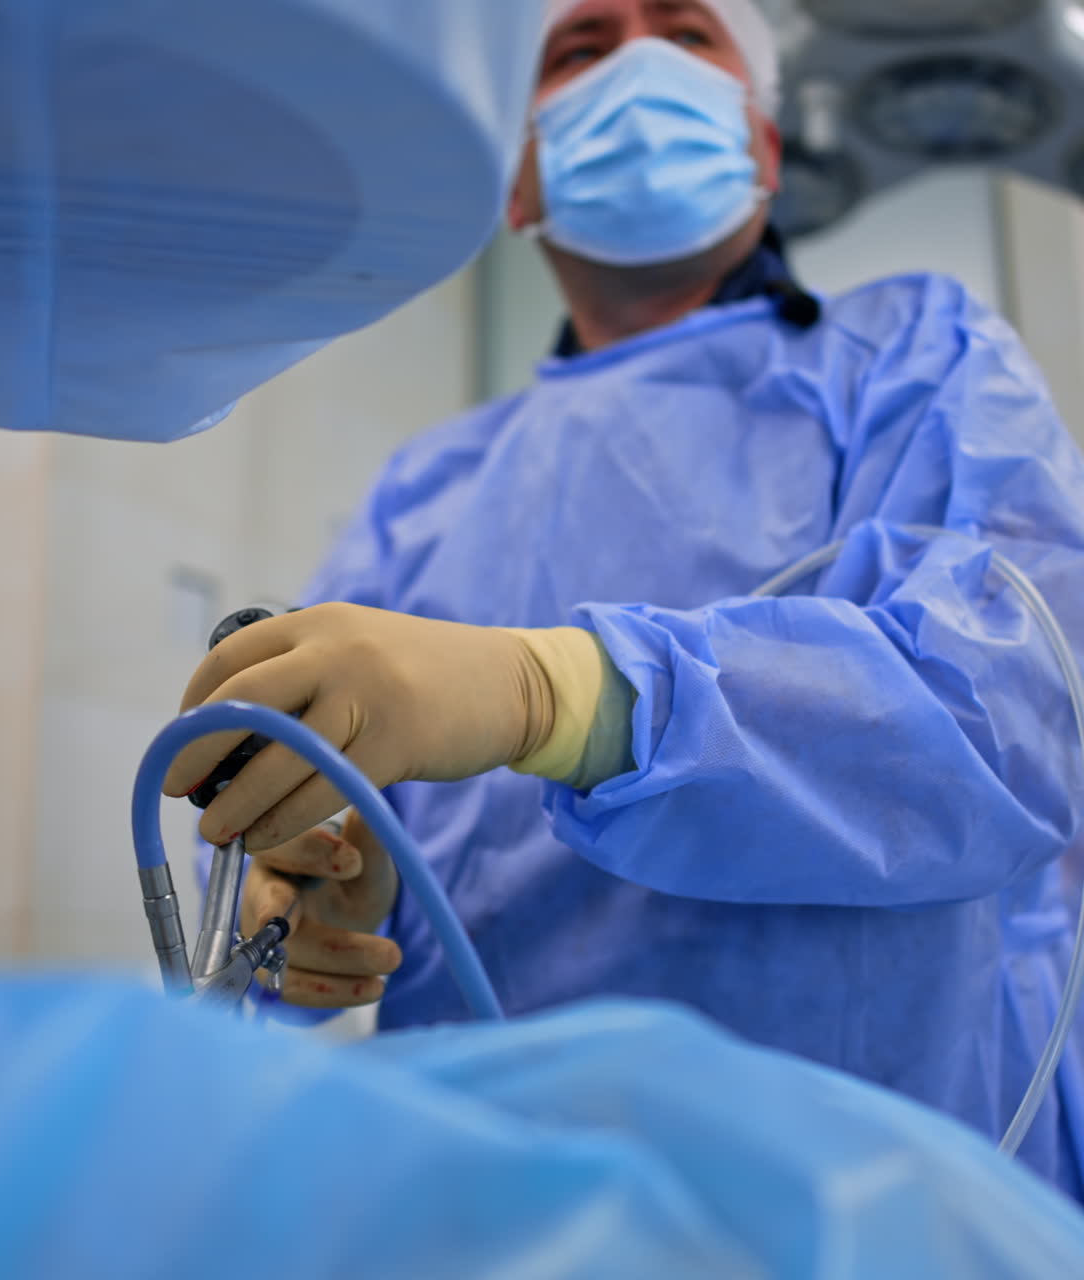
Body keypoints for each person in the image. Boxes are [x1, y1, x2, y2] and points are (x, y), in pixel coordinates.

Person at [164, 0, 1084, 1196]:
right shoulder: (426, 488)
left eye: (687, 36)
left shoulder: (914, 357)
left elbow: (1016, 716)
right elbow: (304, 823)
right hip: (492, 1194)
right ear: (515, 181)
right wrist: (309, 890)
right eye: (583, 47)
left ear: (760, 148)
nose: (640, 64)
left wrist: (563, 698)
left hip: (883, 1191)